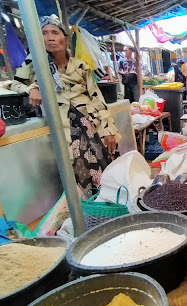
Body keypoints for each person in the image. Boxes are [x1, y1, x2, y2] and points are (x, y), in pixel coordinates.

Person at [11, 15, 120, 192]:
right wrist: (31, 88)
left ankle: (110, 205)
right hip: (66, 131)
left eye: (55, 32)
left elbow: (97, 99)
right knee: (80, 177)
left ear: (66, 39)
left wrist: (109, 131)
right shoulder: (35, 65)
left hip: (92, 125)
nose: (50, 37)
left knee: (108, 171)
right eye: (44, 33)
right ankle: (89, 213)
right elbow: (13, 84)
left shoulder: (80, 67)